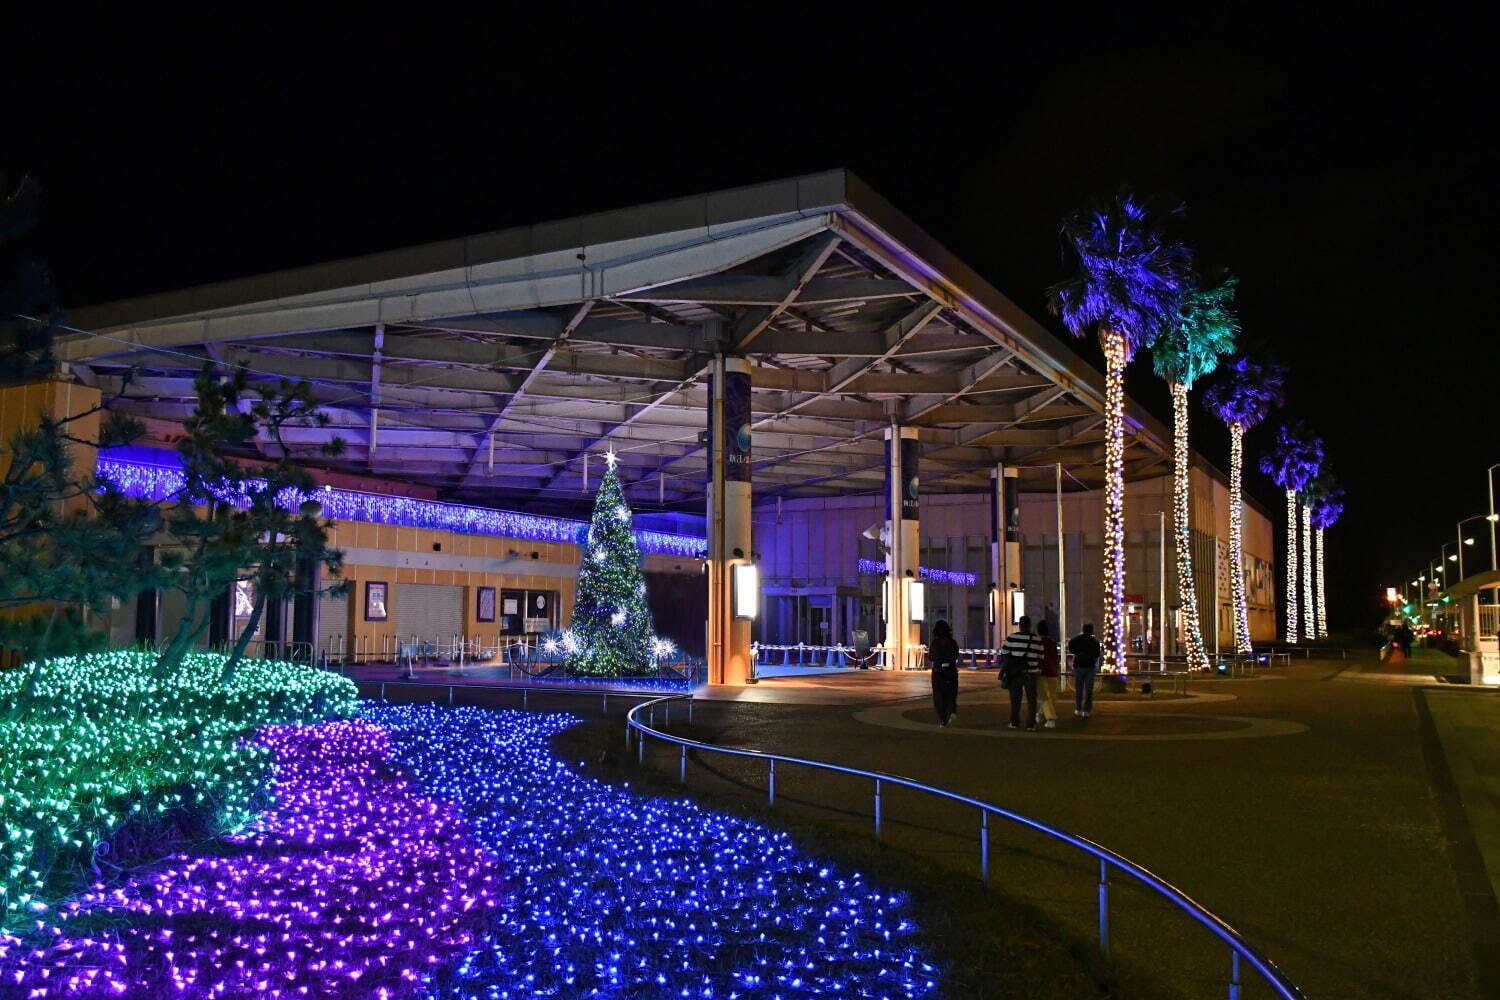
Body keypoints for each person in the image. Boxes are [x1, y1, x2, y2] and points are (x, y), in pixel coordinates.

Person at [1001, 615, 1043, 731]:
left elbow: (1004, 653)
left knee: (1015, 699)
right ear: (1030, 626)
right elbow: (1041, 656)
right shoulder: (1037, 639)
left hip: (1016, 673)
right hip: (1032, 672)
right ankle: (1031, 724)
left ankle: (1014, 722)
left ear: (1019, 625)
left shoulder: (1012, 638)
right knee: (1032, 699)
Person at [928, 620, 960, 726]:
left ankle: (942, 719)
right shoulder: (952, 642)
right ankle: (952, 711)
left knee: (939, 696)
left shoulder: (935, 643)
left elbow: (931, 657)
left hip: (938, 672)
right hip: (951, 670)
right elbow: (956, 655)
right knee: (951, 694)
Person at [1068, 623, 1101, 717]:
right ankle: (1086, 710)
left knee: (1078, 689)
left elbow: (1070, 646)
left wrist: (1078, 653)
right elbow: (1097, 654)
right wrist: (1090, 657)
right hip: (1089, 666)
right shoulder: (1094, 642)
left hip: (1079, 666)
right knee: (1089, 690)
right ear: (1091, 631)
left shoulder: (1077, 639)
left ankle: (1078, 708)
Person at [1035, 620, 1060, 728]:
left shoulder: (1036, 642)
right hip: (1053, 672)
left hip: (1041, 672)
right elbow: (1055, 657)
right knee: (1051, 696)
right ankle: (1040, 714)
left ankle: (1050, 719)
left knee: (1044, 697)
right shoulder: (1052, 643)